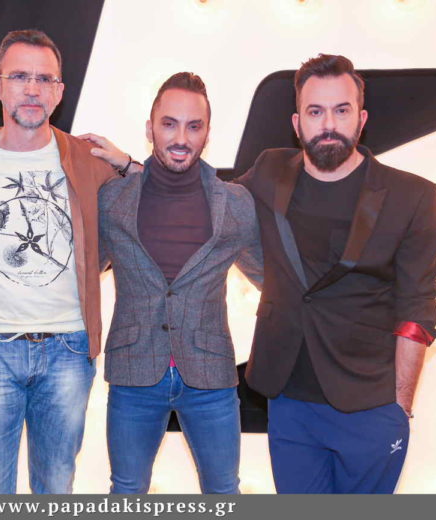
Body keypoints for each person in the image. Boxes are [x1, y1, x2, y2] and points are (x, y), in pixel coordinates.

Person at [0, 29, 133, 494]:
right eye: (20, 76)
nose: (33, 89)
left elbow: (153, 199)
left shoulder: (90, 160)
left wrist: (126, 163)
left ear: (59, 91)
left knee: (56, 489)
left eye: (45, 79)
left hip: (68, 350)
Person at [237, 54, 436, 493]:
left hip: (370, 404)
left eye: (342, 110)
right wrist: (128, 167)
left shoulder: (412, 196)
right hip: (288, 400)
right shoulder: (270, 170)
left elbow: (417, 308)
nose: (328, 124)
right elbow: (209, 204)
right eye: (315, 112)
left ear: (361, 119)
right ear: (297, 123)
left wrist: (399, 407)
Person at [97, 72, 262, 494]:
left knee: (223, 493)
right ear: (150, 128)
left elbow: (274, 280)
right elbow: (81, 270)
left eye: (194, 126)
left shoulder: (236, 204)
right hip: (133, 371)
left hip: (210, 376)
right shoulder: (112, 198)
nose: (181, 138)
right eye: (169, 124)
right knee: (127, 491)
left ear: (207, 133)